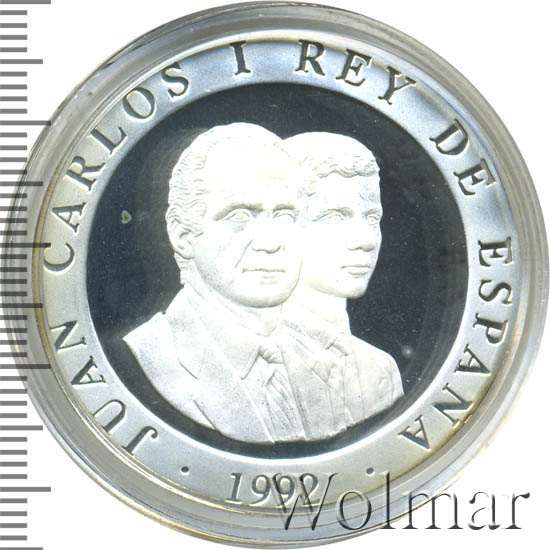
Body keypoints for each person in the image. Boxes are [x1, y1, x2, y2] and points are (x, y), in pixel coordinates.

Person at [124, 123, 307, 444]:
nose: (270, 242)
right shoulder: (143, 358)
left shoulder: (329, 360)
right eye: (240, 215)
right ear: (183, 235)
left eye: (284, 215)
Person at [282, 132, 403, 440]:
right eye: (336, 217)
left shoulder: (380, 369)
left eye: (372, 218)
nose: (365, 240)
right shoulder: (258, 364)